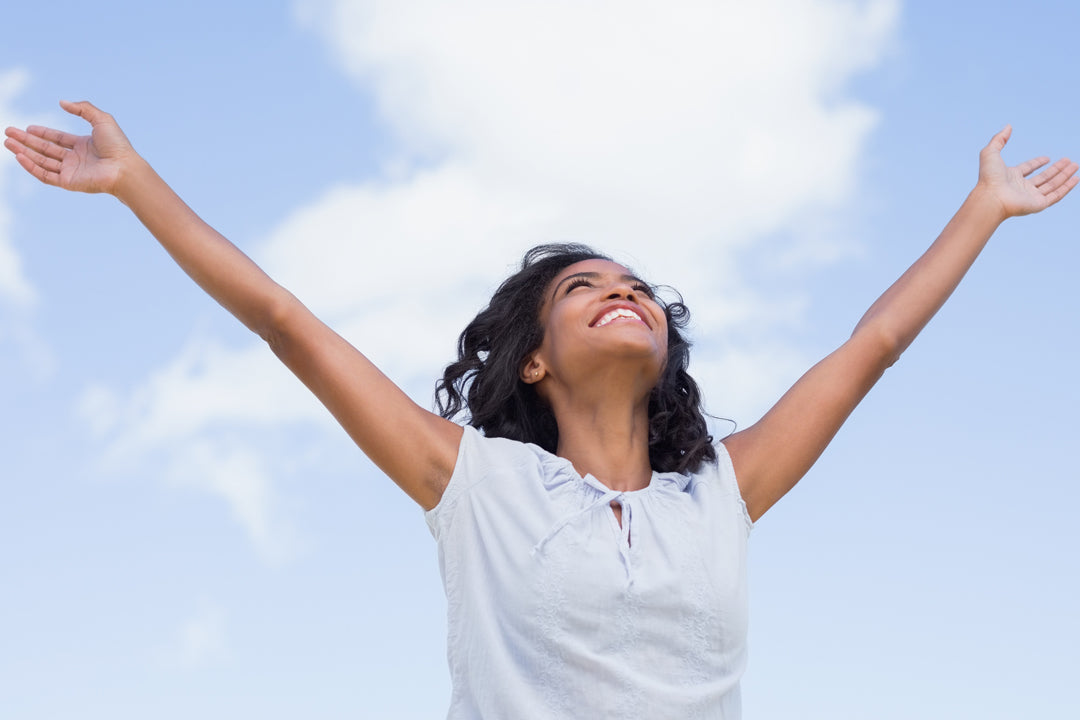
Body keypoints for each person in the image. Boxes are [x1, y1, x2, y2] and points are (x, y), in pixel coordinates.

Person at [4, 101, 1077, 719]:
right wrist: (134, 182)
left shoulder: (722, 497)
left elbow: (873, 346)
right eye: (585, 288)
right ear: (531, 365)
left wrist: (983, 209)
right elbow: (285, 321)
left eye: (637, 288)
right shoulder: (476, 485)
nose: (624, 293)